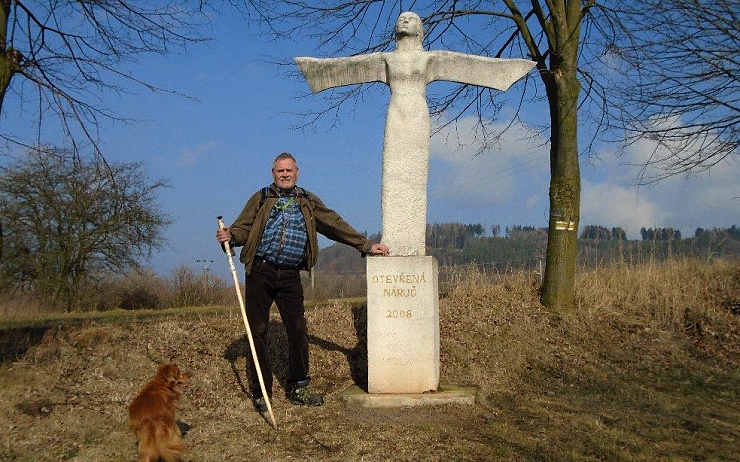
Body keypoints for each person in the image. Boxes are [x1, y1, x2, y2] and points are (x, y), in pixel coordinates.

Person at [295, 11, 535, 256]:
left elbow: (470, 65)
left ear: (420, 29)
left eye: (411, 19)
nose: (404, 20)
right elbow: (348, 66)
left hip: (417, 116)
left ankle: (412, 244)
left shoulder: (430, 59)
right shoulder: (386, 59)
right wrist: (314, 69)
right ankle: (395, 242)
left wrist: (509, 69)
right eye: (400, 18)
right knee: (393, 170)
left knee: (415, 174)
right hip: (396, 116)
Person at [216, 152, 390, 412]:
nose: (284, 174)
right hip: (260, 271)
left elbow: (334, 223)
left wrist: (365, 245)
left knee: (298, 330)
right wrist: (229, 235)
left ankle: (298, 386)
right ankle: (261, 391)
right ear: (272, 173)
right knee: (258, 332)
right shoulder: (261, 197)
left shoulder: (307, 200)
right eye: (279, 171)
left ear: (297, 173)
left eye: (289, 170)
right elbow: (242, 229)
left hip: (290, 275)